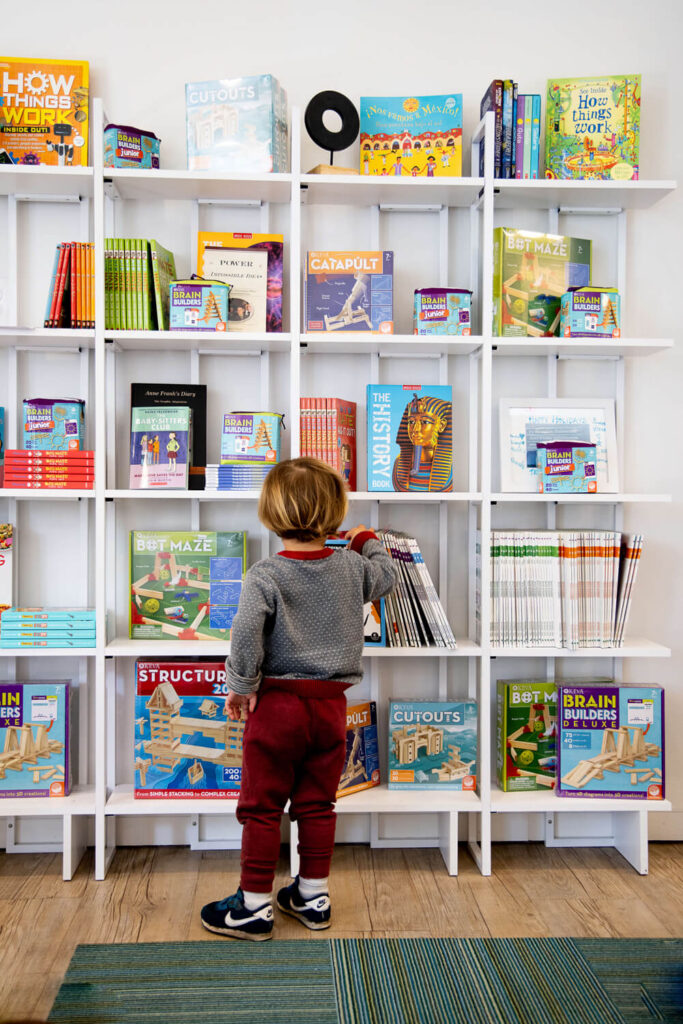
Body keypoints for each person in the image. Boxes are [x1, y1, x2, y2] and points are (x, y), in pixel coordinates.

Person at [200, 457, 398, 941]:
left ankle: (252, 907)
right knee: (317, 804)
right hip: (331, 709)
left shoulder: (265, 575)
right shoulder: (353, 568)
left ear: (270, 513)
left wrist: (240, 688)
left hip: (278, 707)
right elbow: (386, 575)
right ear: (333, 514)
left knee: (262, 806)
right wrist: (365, 537)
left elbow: (245, 637)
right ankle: (313, 896)